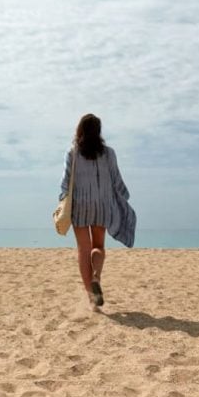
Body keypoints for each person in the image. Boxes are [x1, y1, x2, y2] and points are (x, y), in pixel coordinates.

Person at [59, 113, 136, 311]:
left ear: (80, 130)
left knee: (83, 251)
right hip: (102, 206)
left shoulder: (73, 153)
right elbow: (116, 180)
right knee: (98, 247)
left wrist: (62, 201)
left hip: (80, 207)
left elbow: (66, 183)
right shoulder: (109, 153)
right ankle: (96, 277)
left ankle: (92, 299)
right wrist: (124, 198)